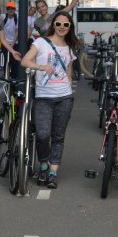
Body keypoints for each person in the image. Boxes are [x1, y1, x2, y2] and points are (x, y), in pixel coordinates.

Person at [20, 10, 79, 188]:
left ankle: (52, 172)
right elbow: (25, 61)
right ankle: (44, 164)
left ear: (70, 27)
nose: (62, 27)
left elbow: (69, 71)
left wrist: (69, 85)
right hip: (43, 97)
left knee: (58, 136)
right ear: (53, 24)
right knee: (42, 134)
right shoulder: (41, 42)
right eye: (58, 23)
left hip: (64, 97)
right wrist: (41, 67)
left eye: (66, 24)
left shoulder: (69, 47)